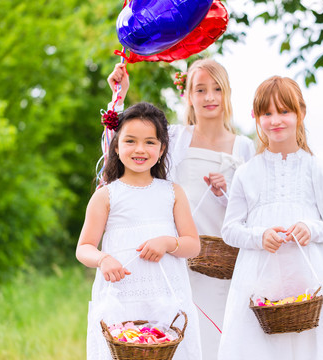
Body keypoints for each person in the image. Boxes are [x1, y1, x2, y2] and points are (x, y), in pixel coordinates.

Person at [107, 59, 255, 358]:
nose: (210, 97)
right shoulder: (175, 138)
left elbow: (251, 210)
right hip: (173, 258)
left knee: (219, 340)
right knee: (176, 336)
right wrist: (119, 96)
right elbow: (123, 146)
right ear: (187, 94)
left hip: (220, 263)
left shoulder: (244, 148)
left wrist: (226, 192)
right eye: (200, 89)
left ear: (227, 93)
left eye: (216, 89)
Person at [219, 76, 323, 359]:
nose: (275, 120)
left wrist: (311, 229)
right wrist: (259, 236)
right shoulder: (246, 173)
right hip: (259, 281)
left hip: (310, 280)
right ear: (256, 118)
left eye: (284, 111)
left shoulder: (320, 170)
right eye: (267, 113)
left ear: (300, 113)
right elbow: (230, 230)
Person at [76, 102, 202, 360]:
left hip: (166, 297)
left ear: (162, 147)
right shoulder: (106, 196)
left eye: (150, 142)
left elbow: (192, 244)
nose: (140, 150)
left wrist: (168, 243)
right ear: (117, 146)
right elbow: (84, 247)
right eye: (130, 141)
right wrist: (104, 258)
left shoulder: (173, 192)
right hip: (122, 299)